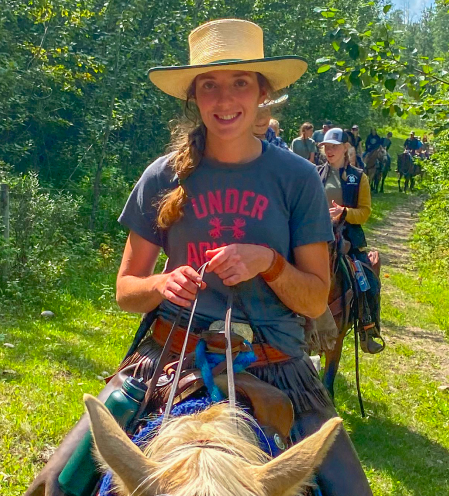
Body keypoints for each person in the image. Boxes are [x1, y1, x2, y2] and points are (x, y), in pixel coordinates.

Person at [25, 19, 372, 496]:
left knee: (354, 493)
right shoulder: (162, 176)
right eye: (209, 85)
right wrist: (160, 286)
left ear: (261, 93)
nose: (224, 99)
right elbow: (127, 290)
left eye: (239, 83)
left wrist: (268, 262)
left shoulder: (298, 179)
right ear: (193, 95)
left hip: (277, 363)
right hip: (169, 356)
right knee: (54, 487)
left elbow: (314, 301)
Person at [317, 128, 383, 355]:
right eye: (326, 146)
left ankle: (368, 327)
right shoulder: (314, 174)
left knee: (368, 278)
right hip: (316, 237)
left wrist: (343, 212)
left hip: (347, 239)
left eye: (334, 146)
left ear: (345, 148)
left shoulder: (359, 177)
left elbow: (364, 212)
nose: (329, 150)